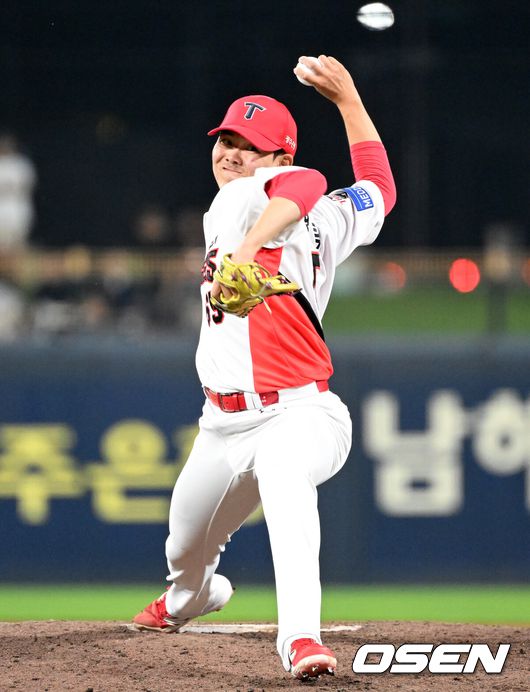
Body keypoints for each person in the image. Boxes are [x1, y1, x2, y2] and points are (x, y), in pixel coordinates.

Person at [132, 55, 396, 680]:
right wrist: (349, 103)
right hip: (222, 426)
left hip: (301, 413)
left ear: (278, 157)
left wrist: (249, 249)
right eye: (225, 139)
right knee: (184, 551)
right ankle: (190, 598)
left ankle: (300, 638)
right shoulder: (310, 214)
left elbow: (307, 183)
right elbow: (379, 188)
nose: (229, 153)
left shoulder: (263, 196)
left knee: (282, 473)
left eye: (247, 146)